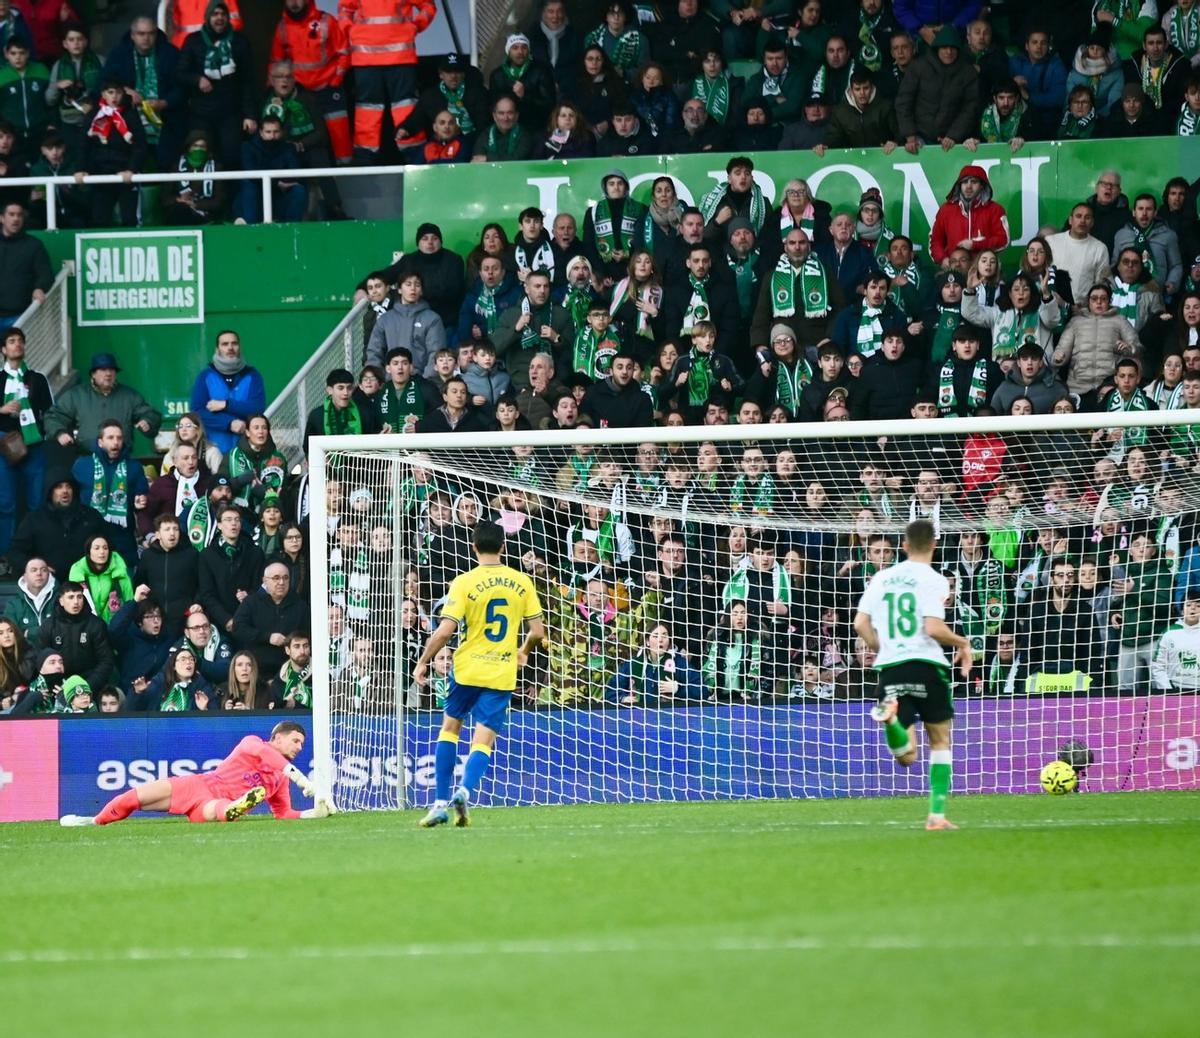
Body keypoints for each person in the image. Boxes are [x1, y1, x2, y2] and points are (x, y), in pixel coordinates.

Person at [412, 521, 545, 827]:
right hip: (501, 671)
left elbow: (445, 630)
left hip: (467, 669)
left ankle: (440, 803)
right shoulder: (522, 581)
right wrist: (523, 650)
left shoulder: (464, 582)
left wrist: (423, 661)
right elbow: (538, 631)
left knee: (450, 729)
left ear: (473, 547)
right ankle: (465, 790)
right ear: (503, 548)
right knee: (483, 739)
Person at [855, 518, 972, 830]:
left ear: (904, 546)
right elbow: (933, 628)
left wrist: (882, 648)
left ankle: (892, 720)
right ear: (934, 544)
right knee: (940, 740)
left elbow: (860, 624)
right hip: (927, 665)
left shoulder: (882, 578)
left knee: (906, 756)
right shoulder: (936, 580)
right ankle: (936, 815)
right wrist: (962, 642)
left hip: (892, 668)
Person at [61, 721, 333, 826]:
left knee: (218, 810)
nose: (299, 747)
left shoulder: (279, 780)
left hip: (213, 801)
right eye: (295, 741)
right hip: (198, 784)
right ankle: (93, 821)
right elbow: (266, 754)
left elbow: (283, 814)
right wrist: (300, 777)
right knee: (131, 799)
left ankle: (236, 807)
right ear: (277, 738)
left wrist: (314, 813)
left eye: (302, 744)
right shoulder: (253, 743)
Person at [177, 0, 257, 172]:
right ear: (207, 17)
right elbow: (180, 72)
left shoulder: (239, 42)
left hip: (231, 113)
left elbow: (248, 81)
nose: (219, 18)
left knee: (231, 157)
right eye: (215, 14)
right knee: (201, 156)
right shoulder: (193, 41)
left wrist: (249, 115)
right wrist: (197, 79)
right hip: (201, 113)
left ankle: (229, 190)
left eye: (223, 14)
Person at [269, 0, 351, 166]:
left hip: (329, 88)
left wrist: (336, 79)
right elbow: (276, 62)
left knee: (339, 135)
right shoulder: (282, 27)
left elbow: (344, 52)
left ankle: (347, 173)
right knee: (306, 136)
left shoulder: (326, 21)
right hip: (300, 92)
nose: (294, 3)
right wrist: (273, 91)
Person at [102, 17, 186, 169]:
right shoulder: (119, 54)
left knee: (165, 167)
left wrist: (165, 102)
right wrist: (124, 91)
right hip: (128, 121)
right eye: (141, 34)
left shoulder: (170, 54)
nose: (146, 38)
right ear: (132, 35)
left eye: (151, 33)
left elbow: (182, 87)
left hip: (166, 122)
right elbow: (104, 82)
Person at [45, 352, 161, 459]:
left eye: (112, 370)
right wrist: (59, 433)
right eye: (103, 369)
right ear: (93, 374)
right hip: (87, 458)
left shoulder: (129, 396)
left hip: (121, 459)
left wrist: (147, 421)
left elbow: (150, 413)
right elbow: (53, 416)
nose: (108, 374)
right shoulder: (76, 395)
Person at [0, 325, 50, 558]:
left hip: (34, 443)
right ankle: (6, 555)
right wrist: (2, 409)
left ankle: (36, 554)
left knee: (36, 502)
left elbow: (49, 411)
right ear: (3, 349)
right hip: (4, 444)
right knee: (6, 503)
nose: (17, 344)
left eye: (20, 340)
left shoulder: (37, 379)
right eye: (11, 341)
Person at [894, 25, 979, 151]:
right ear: (937, 48)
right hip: (919, 138)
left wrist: (953, 135)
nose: (949, 52)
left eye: (953, 48)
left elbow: (970, 108)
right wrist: (910, 135)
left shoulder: (968, 72)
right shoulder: (918, 67)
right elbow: (904, 102)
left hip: (954, 141)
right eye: (944, 47)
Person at [232, 559, 307, 673]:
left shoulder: (300, 605)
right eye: (276, 578)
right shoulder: (251, 602)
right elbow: (238, 628)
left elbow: (307, 634)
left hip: (290, 669)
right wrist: (267, 637)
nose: (281, 582)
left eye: (285, 578)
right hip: (256, 669)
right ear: (265, 581)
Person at [929, 164, 1009, 268]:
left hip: (984, 272)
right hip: (954, 271)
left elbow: (1003, 240)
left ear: (982, 185)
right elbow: (935, 241)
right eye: (965, 182)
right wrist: (942, 259)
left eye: (974, 182)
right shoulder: (946, 210)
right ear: (959, 185)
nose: (968, 186)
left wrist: (975, 245)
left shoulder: (995, 209)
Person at [0, 201, 50, 331]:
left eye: (19, 215)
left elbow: (45, 274)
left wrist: (40, 288)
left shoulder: (34, 245)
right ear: (2, 218)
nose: (16, 219)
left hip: (20, 317)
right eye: (11, 214)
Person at [3, 554, 54, 639]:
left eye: (44, 570)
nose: (39, 573)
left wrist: (28, 633)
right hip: (24, 647)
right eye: (34, 570)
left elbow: (64, 630)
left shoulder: (60, 599)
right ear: (25, 576)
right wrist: (47, 631)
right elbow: (10, 634)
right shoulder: (13, 604)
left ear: (49, 574)